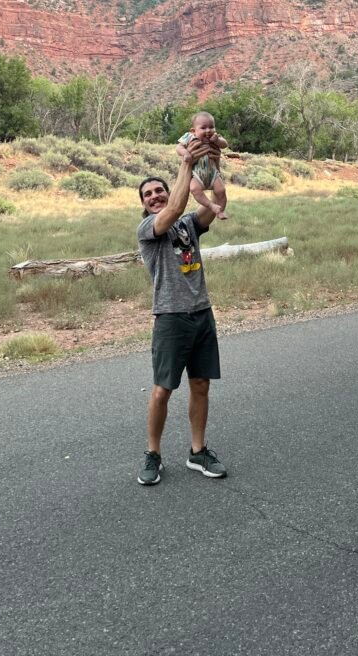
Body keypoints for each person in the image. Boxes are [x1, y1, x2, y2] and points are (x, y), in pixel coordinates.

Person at [136, 135, 227, 486]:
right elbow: (173, 208)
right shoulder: (149, 229)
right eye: (149, 194)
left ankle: (198, 451)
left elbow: (217, 202)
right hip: (171, 318)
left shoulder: (188, 225)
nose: (156, 196)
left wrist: (212, 165)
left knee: (201, 384)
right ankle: (153, 454)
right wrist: (185, 162)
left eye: (159, 190)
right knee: (162, 389)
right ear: (144, 205)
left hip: (201, 313)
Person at [176, 111, 229, 219]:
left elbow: (225, 144)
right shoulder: (190, 137)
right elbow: (178, 147)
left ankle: (221, 211)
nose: (208, 130)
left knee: (221, 191)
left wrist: (218, 140)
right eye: (203, 128)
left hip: (213, 174)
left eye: (211, 127)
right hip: (197, 174)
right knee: (195, 189)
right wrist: (186, 153)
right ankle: (211, 206)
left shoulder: (214, 138)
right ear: (193, 131)